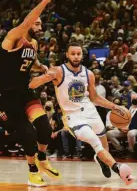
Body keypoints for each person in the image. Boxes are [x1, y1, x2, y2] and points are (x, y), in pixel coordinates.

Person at [29, 42, 134, 185]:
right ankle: (118, 168)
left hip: (91, 112)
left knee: (104, 148)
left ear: (82, 55)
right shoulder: (58, 71)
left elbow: (95, 98)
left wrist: (114, 106)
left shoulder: (88, 73)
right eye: (73, 53)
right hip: (74, 117)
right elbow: (32, 84)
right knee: (95, 142)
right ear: (67, 55)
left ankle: (100, 159)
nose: (76, 56)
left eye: (78, 54)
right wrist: (44, 77)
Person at [0, 0, 60, 187]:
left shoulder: (34, 44)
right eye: (36, 23)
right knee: (28, 134)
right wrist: (45, 1)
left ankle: (42, 157)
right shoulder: (13, 38)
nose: (40, 26)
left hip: (24, 92)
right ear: (28, 23)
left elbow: (32, 63)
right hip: (5, 96)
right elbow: (28, 20)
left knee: (45, 129)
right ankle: (32, 172)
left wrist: (43, 68)